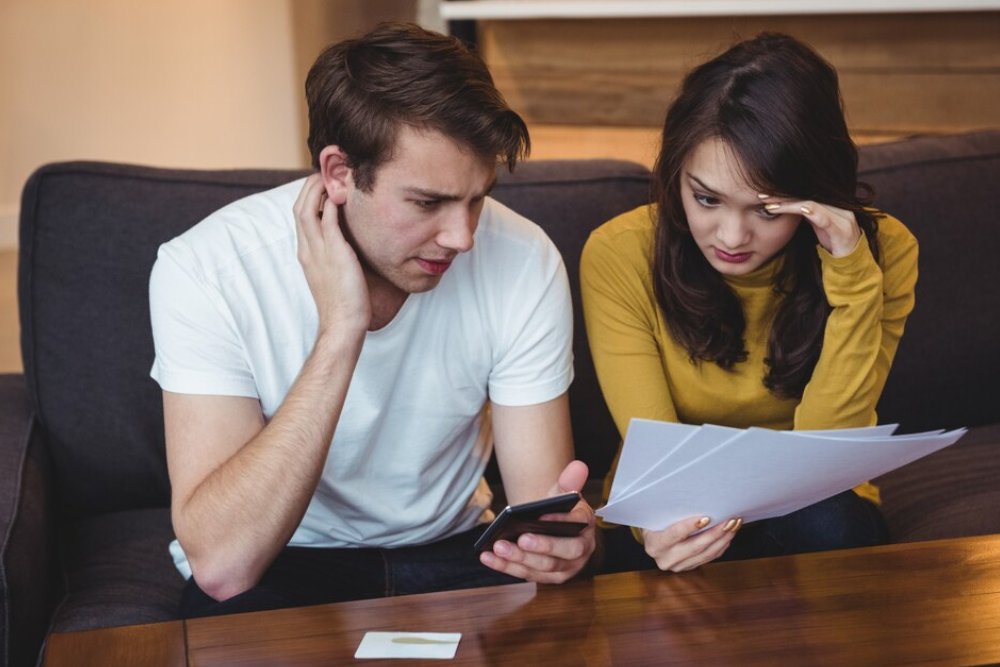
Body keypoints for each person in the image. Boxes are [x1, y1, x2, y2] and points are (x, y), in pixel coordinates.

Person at [149, 22, 595, 618]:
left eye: (477, 198)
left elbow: (539, 499)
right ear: (338, 173)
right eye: (428, 202)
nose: (462, 238)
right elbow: (226, 566)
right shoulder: (207, 269)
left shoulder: (523, 256)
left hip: (458, 550)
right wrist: (340, 331)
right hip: (285, 558)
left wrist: (559, 545)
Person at [580, 33, 918, 573]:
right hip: (670, 508)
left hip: (814, 507)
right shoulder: (620, 253)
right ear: (675, 177)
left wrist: (851, 277)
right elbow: (658, 454)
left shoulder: (881, 253)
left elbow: (826, 458)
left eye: (767, 210)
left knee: (830, 520)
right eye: (707, 199)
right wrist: (658, 529)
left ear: (818, 196)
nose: (731, 237)